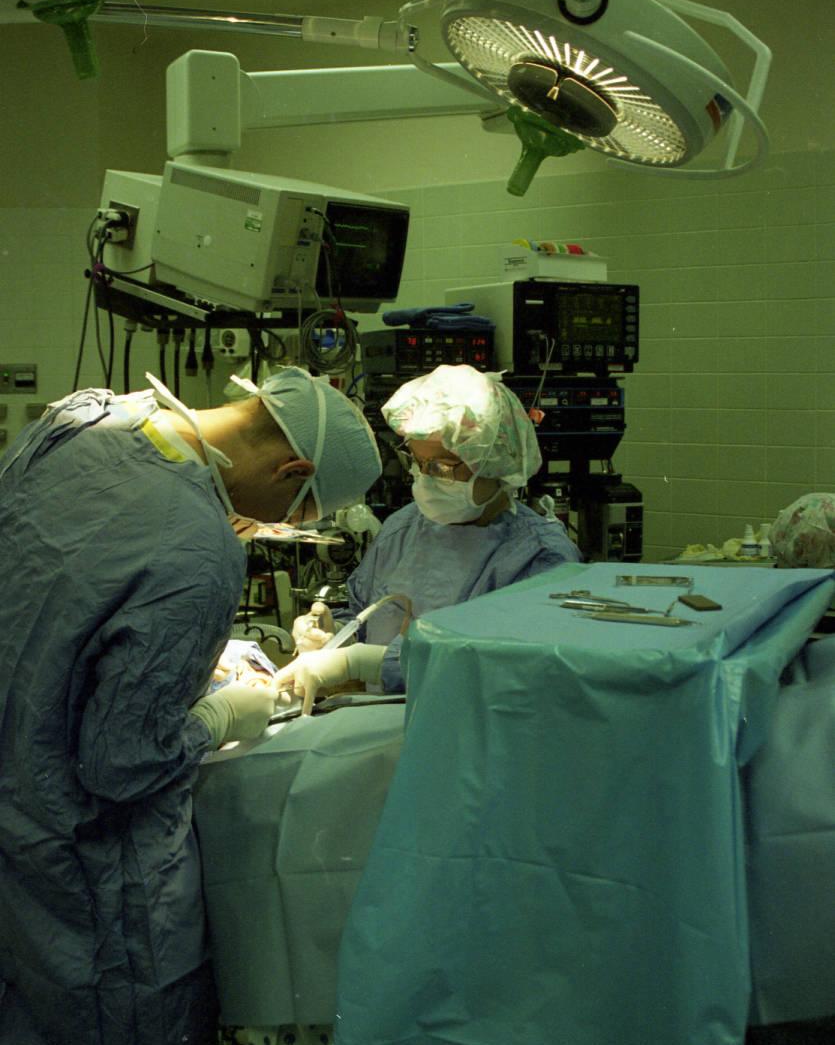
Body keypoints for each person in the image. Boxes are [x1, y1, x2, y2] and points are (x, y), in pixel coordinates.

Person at [0, 366, 381, 1045]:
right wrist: (212, 717)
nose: (271, 526)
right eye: (292, 515)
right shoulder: (198, 549)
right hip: (81, 865)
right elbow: (120, 764)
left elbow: (54, 595)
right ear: (293, 467)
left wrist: (186, 658)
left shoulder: (81, 418)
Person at [286, 363, 582, 710]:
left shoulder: (540, 558)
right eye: (417, 461)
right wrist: (331, 632)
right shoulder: (403, 529)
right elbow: (364, 616)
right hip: (374, 726)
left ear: (495, 460)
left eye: (441, 466)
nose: (425, 478)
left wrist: (365, 663)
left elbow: (506, 669)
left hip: (467, 737)